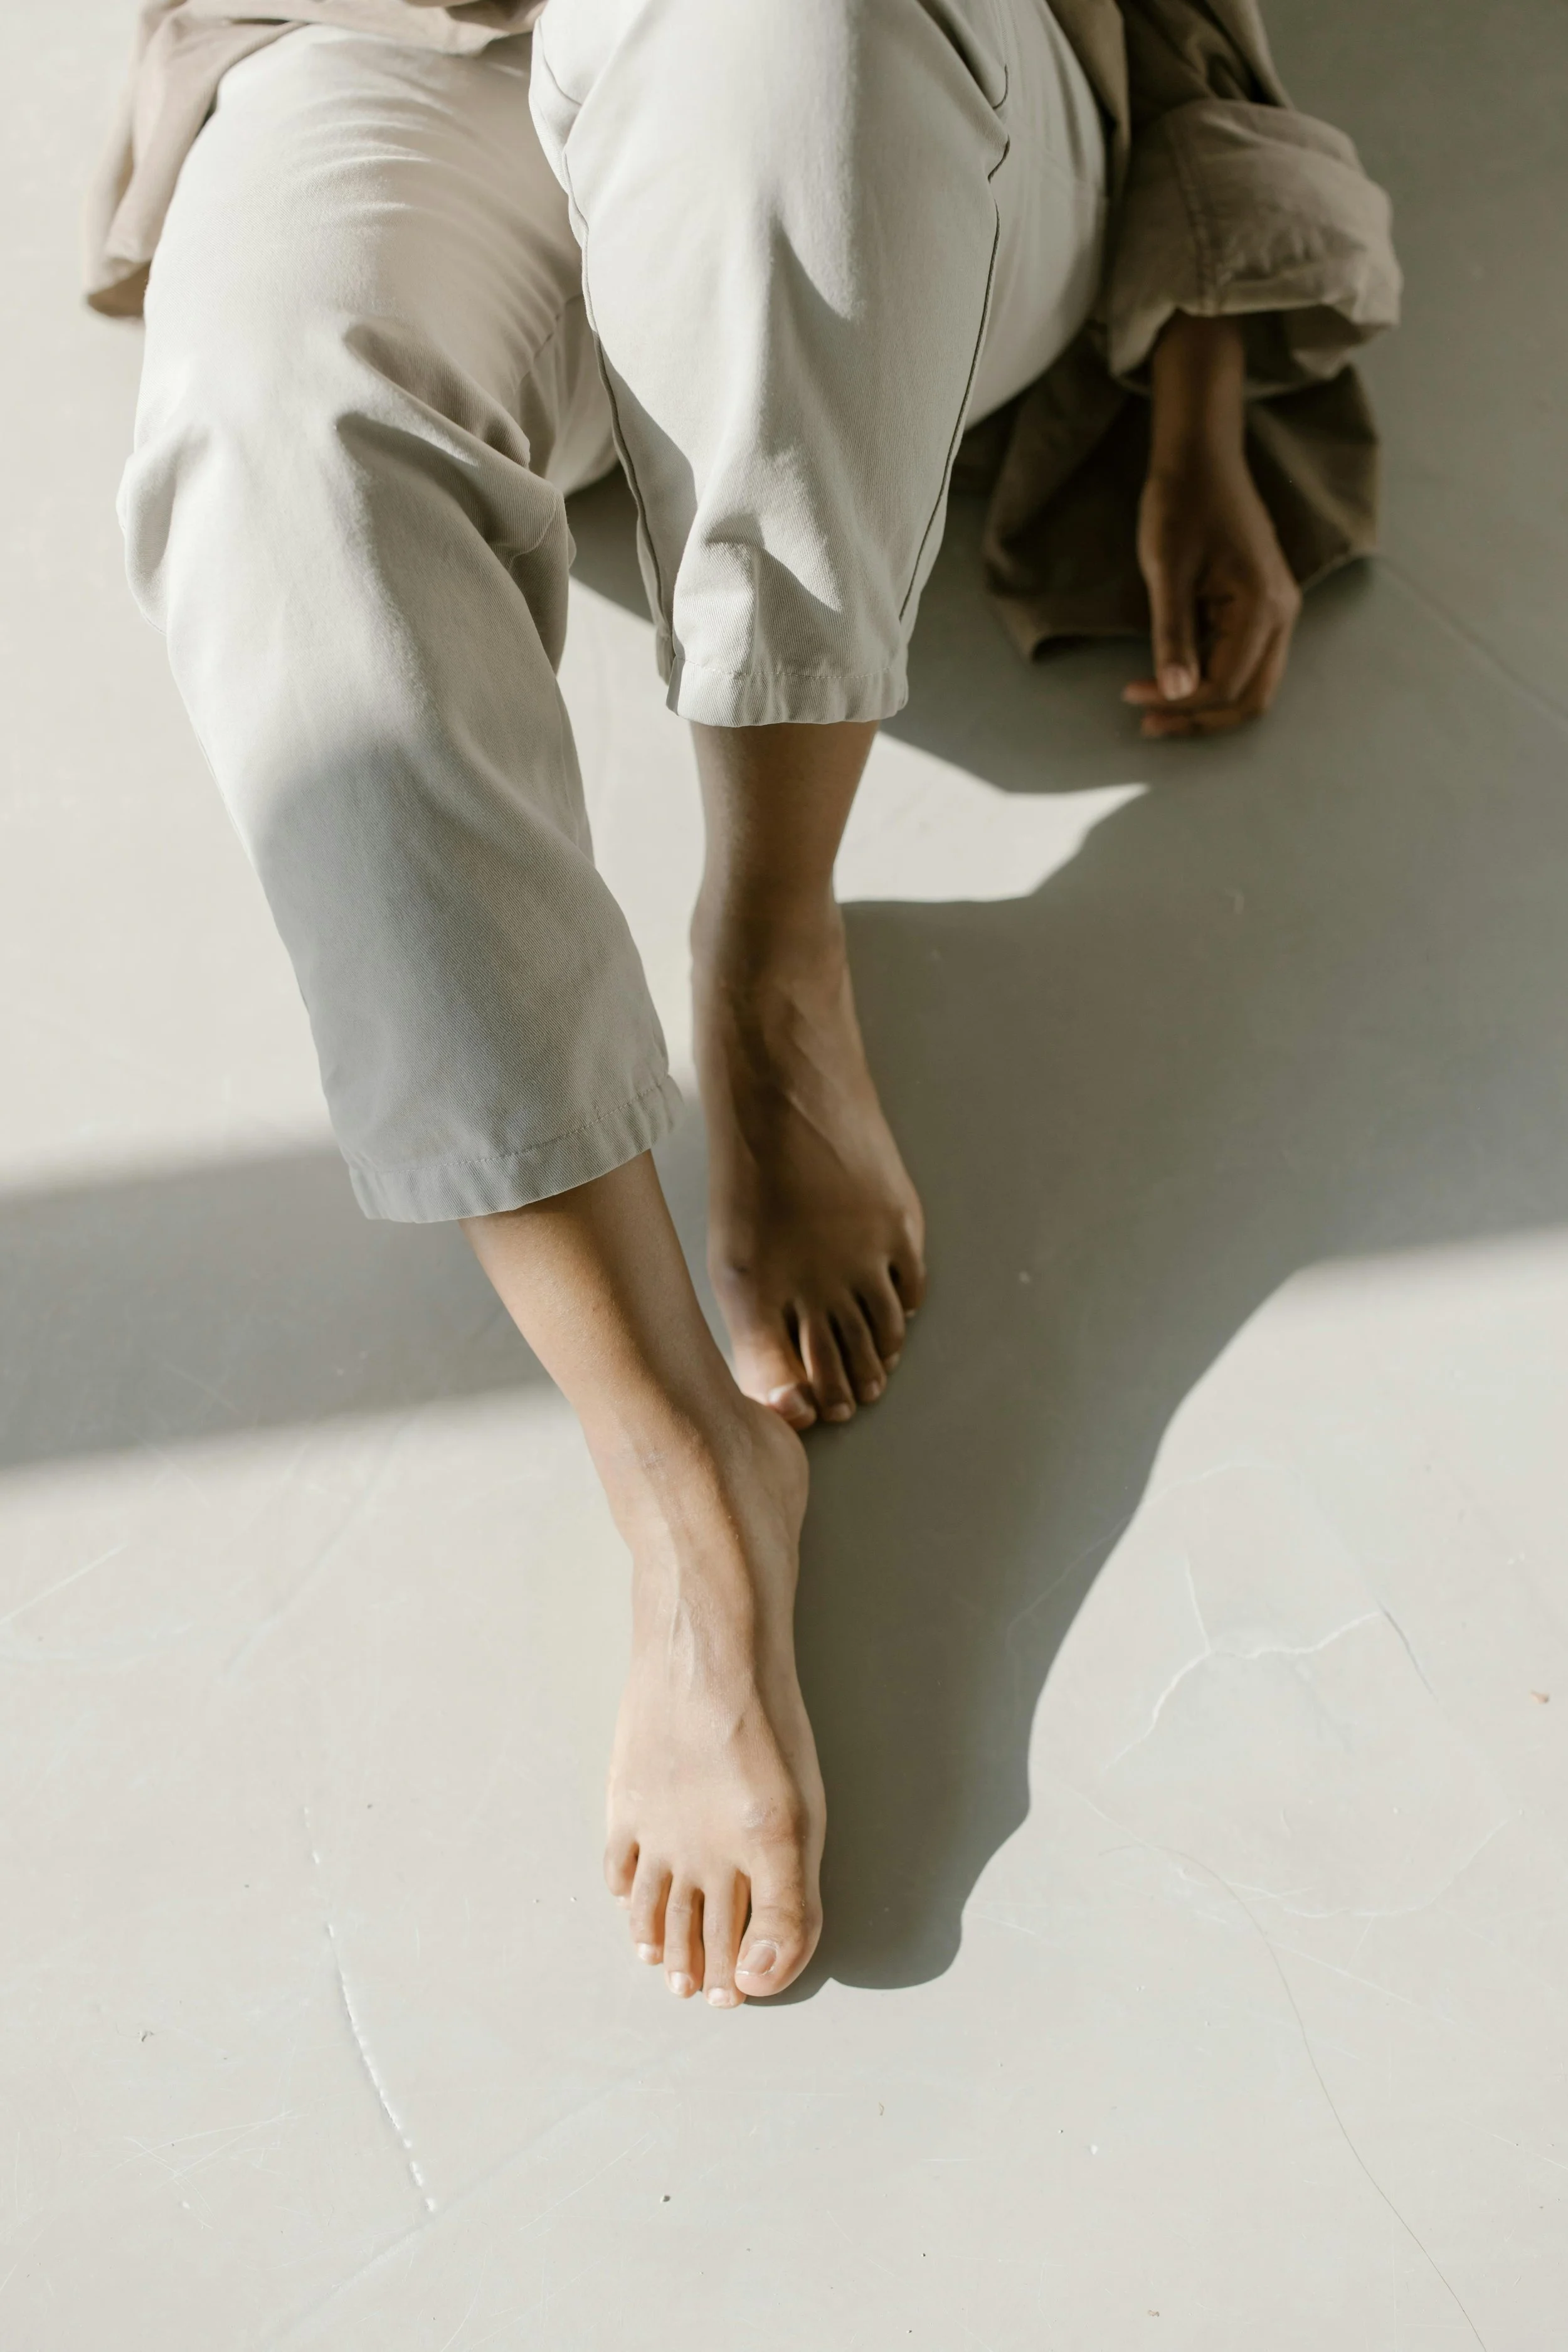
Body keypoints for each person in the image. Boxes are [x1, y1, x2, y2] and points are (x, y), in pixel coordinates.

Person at [88, 0, 1399, 2007]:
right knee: (267, 409)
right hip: (400, 48)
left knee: (787, 35)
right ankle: (680, 1475)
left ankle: (772, 948)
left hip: (892, 107)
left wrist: (1201, 379)